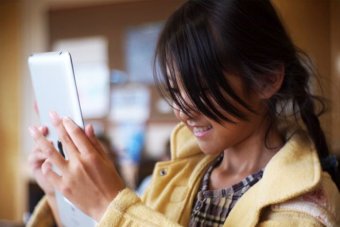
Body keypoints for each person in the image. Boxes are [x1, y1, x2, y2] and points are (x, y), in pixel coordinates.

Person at [27, 0, 340, 226]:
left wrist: (110, 205)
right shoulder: (182, 174)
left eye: (201, 89)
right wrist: (60, 195)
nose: (181, 111)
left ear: (268, 80)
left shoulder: (305, 206)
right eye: (175, 92)